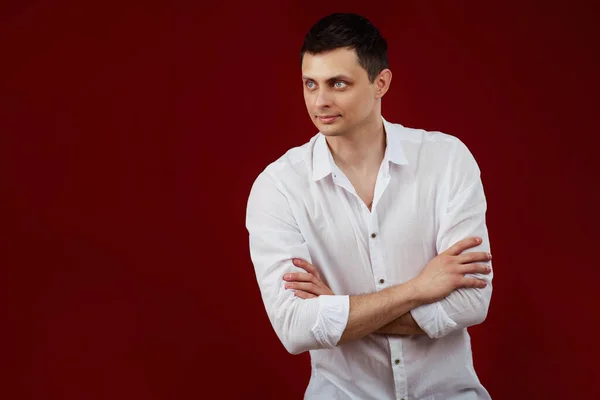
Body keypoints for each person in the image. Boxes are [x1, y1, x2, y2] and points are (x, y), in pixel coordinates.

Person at [245, 12, 494, 400]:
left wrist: (337, 311)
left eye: (337, 84)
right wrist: (418, 289)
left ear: (381, 83)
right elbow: (296, 328)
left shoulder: (446, 160)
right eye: (310, 84)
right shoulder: (277, 188)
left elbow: (471, 302)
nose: (320, 101)